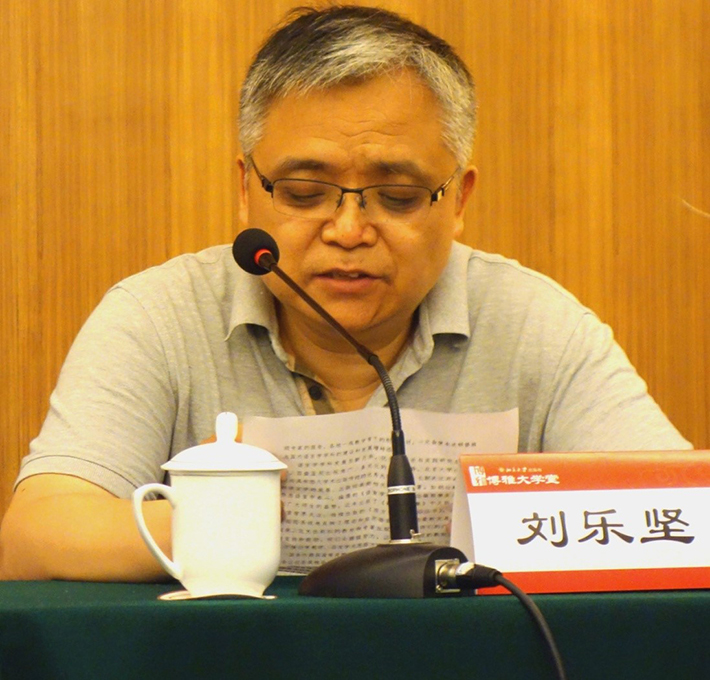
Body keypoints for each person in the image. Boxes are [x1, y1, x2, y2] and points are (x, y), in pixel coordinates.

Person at [0, 5, 691, 581]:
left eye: (398, 196)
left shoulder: (535, 323)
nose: (349, 230)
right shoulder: (158, 317)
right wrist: (204, 523)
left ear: (457, 200)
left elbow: (683, 518)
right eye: (305, 193)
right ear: (246, 189)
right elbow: (32, 538)